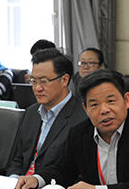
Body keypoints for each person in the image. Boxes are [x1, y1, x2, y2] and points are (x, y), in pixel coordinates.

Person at [16, 69, 129, 189]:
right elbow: (62, 170)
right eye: (94, 104)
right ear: (85, 109)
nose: (104, 110)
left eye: (111, 101)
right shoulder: (79, 134)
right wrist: (37, 179)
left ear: (126, 100)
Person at [7, 48, 86, 176]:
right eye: (33, 81)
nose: (37, 88)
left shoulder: (82, 117)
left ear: (64, 80)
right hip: (21, 184)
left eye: (44, 81)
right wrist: (13, 179)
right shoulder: (31, 112)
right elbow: (19, 158)